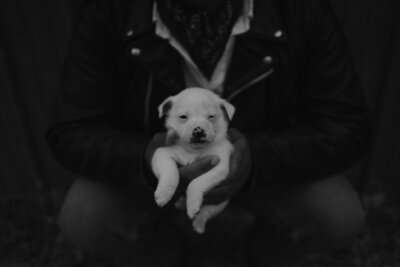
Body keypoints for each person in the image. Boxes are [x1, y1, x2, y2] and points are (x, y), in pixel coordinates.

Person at [46, 0, 371, 265]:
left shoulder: (299, 11)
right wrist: (147, 156)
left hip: (263, 169)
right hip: (158, 168)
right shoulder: (110, 13)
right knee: (84, 216)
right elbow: (72, 130)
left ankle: (262, 255)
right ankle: (166, 255)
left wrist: (256, 158)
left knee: (338, 214)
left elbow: (346, 125)